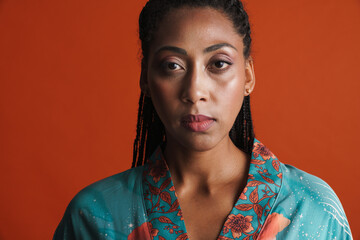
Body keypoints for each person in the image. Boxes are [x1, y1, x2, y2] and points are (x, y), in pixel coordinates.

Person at [53, 0, 353, 239]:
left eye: (219, 64)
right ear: (146, 77)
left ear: (247, 76)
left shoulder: (311, 207)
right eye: (172, 65)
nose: (195, 91)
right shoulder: (94, 215)